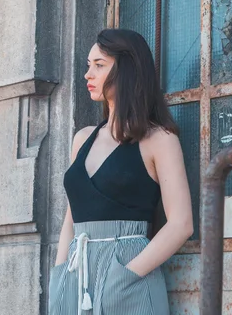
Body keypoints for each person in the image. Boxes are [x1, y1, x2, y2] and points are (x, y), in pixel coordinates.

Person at [48, 29, 193, 314]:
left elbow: (181, 224)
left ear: (128, 69)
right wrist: (59, 277)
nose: (88, 74)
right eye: (88, 65)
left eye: (99, 65)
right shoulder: (82, 139)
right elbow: (70, 218)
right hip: (77, 277)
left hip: (129, 279)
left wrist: (123, 277)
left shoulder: (159, 139)